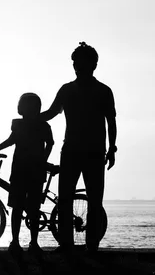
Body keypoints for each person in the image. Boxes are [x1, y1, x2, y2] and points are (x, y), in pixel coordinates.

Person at [39, 42, 117, 254]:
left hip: (93, 151)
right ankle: (66, 244)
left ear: (93, 64)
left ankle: (91, 244)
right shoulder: (67, 90)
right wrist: (30, 117)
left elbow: (111, 121)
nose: (77, 66)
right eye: (75, 62)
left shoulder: (103, 91)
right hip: (72, 150)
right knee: (65, 199)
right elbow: (51, 112)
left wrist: (112, 148)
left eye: (81, 62)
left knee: (93, 200)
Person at [0, 92, 54, 259]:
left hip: (20, 169)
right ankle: (32, 243)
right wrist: (43, 159)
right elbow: (50, 143)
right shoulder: (42, 125)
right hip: (33, 170)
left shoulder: (20, 124)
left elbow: (11, 140)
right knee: (32, 208)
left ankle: (16, 242)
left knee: (18, 208)